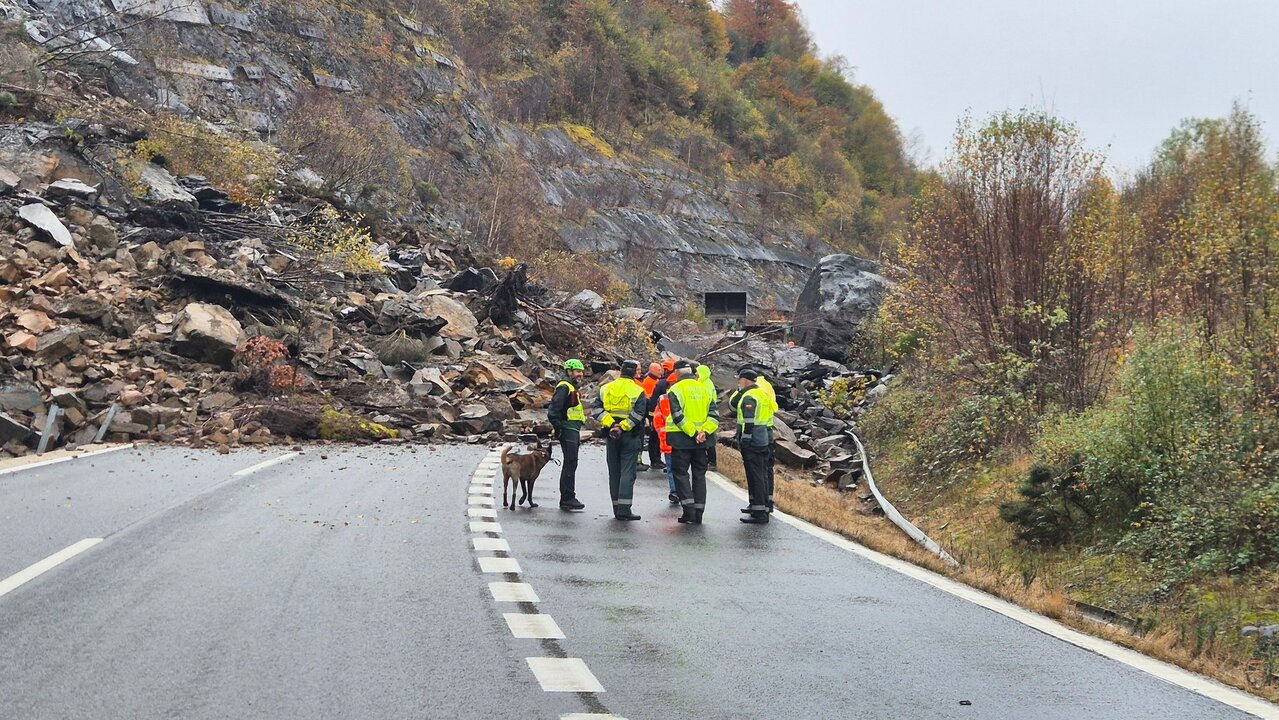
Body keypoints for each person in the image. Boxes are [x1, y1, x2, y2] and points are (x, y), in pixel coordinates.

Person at [592, 359, 648, 520]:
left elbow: (597, 409)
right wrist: (623, 426)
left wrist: (611, 424)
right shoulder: (638, 390)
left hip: (611, 435)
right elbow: (638, 414)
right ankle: (624, 509)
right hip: (629, 435)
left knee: (614, 472)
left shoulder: (606, 388)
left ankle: (616, 507)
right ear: (634, 372)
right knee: (627, 472)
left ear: (621, 371)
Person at [667, 360, 719, 524]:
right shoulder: (705, 388)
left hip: (682, 440)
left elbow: (677, 416)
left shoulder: (676, 389)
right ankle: (699, 512)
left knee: (681, 474)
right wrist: (704, 432)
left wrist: (693, 432)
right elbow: (714, 415)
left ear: (676, 373)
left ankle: (688, 511)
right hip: (702, 442)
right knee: (699, 475)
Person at [733, 368, 774, 524]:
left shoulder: (749, 396)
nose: (738, 382)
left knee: (756, 475)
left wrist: (745, 439)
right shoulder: (762, 394)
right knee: (762, 475)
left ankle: (759, 512)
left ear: (745, 380)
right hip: (764, 437)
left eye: (740, 380)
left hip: (754, 441)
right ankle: (762, 507)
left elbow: (749, 421)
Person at [548, 359, 587, 510]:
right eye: (578, 371)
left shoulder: (570, 386)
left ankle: (568, 497)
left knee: (571, 462)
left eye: (581, 372)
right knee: (570, 463)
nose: (580, 375)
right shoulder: (564, 387)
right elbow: (554, 409)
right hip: (568, 428)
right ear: (569, 371)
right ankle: (567, 497)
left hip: (572, 428)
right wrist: (558, 428)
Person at [747, 364, 780, 512]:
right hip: (768, 428)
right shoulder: (767, 385)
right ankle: (767, 501)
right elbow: (774, 407)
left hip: (758, 432)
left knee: (758, 470)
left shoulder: (755, 389)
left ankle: (759, 504)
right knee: (766, 468)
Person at [651, 389, 678, 503]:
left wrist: (662, 436)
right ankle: (685, 493)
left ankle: (675, 491)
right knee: (682, 469)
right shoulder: (694, 395)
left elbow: (657, 420)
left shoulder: (663, 400)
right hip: (687, 442)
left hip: (668, 441)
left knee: (672, 469)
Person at [640, 362, 667, 470]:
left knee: (657, 438)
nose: (661, 372)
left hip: (657, 414)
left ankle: (657, 459)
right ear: (653, 370)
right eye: (659, 370)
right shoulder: (649, 382)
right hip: (653, 414)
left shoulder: (656, 381)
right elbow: (650, 402)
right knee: (654, 438)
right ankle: (654, 460)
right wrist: (651, 418)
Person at [696, 362, 719, 470]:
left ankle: (712, 462)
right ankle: (709, 460)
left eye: (697, 372)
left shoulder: (705, 384)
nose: (696, 374)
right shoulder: (707, 382)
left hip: (706, 414)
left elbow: (707, 400)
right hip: (706, 414)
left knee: (709, 439)